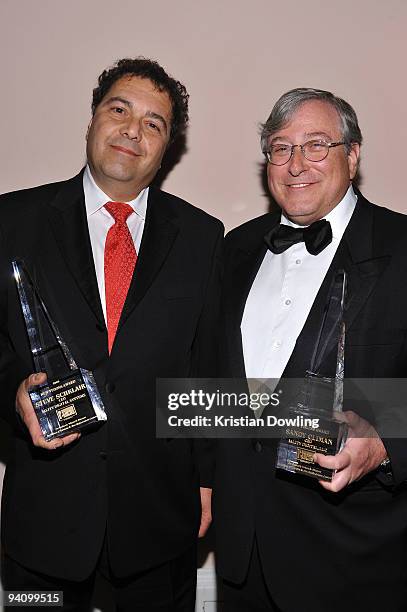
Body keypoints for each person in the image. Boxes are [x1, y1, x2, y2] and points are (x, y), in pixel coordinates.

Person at [0, 57, 223, 611]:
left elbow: (205, 367)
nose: (133, 130)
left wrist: (207, 480)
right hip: (44, 524)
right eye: (120, 110)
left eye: (154, 123)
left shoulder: (202, 237)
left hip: (158, 523)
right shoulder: (12, 221)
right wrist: (12, 394)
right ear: (92, 119)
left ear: (167, 147)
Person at [214, 88, 407, 611]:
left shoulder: (401, 246)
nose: (296, 163)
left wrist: (387, 442)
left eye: (316, 145)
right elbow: (212, 385)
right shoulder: (231, 250)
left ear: (354, 154)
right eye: (281, 148)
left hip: (354, 557)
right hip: (242, 556)